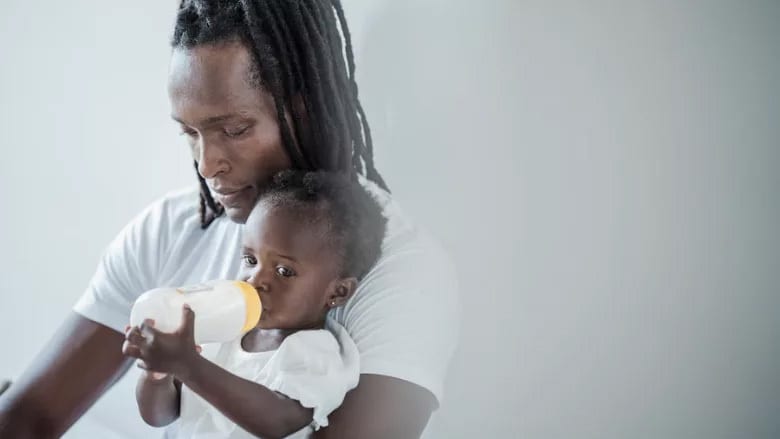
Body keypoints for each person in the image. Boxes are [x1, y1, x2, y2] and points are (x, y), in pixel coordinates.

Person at [0, 1, 459, 438]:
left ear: (302, 110)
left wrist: (190, 366)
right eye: (190, 132)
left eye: (234, 130)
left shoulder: (402, 273)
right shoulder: (168, 230)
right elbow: (28, 419)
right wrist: (158, 371)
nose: (206, 164)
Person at [124, 170, 386, 438]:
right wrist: (157, 374)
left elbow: (277, 423)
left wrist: (188, 365)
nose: (256, 279)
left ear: (338, 292)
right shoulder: (223, 330)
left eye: (284, 271)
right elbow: (160, 416)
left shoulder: (316, 351)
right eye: (250, 260)